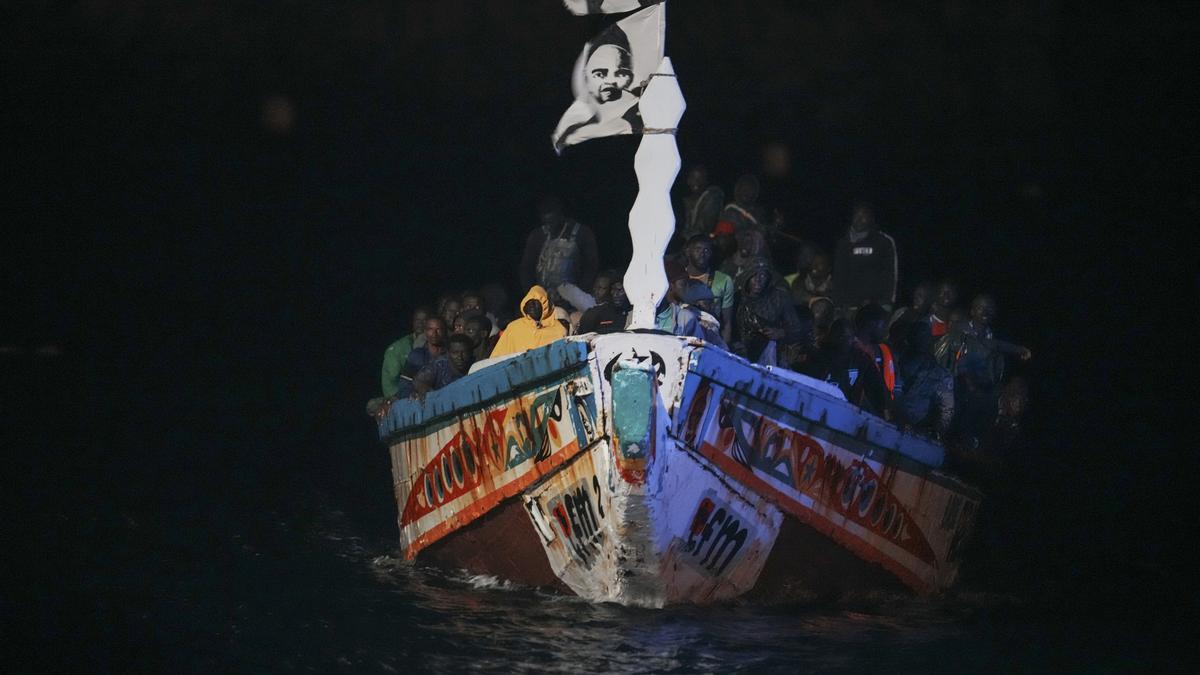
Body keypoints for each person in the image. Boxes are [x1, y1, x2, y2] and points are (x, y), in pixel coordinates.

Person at [934, 295, 1032, 448]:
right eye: (981, 307)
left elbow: (992, 350)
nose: (985, 312)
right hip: (953, 377)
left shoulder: (989, 334)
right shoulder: (960, 327)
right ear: (972, 310)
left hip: (976, 384)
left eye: (990, 309)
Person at [519, 196, 600, 307]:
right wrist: (532, 296)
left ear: (560, 214)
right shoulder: (537, 236)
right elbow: (526, 268)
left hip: (574, 297)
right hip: (543, 299)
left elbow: (591, 267)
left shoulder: (582, 233)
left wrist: (580, 294)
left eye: (551, 221)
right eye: (545, 222)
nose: (549, 226)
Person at [804, 318, 891, 415]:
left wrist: (885, 411)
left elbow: (876, 388)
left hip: (846, 413)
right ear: (831, 337)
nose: (843, 340)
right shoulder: (818, 356)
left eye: (847, 337)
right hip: (814, 408)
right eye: (840, 336)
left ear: (853, 338)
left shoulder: (860, 360)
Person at [735, 257, 805, 364]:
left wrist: (781, 332)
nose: (758, 280)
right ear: (747, 276)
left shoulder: (779, 298)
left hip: (770, 355)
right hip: (740, 353)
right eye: (754, 275)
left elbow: (797, 329)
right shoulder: (737, 298)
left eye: (762, 275)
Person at [832, 201, 898, 311]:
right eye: (856, 215)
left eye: (863, 216)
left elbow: (891, 274)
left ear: (871, 218)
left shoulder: (883, 242)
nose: (859, 219)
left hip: (876, 305)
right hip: (849, 306)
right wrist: (838, 304)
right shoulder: (844, 243)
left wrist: (887, 302)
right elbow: (838, 275)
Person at [895, 320, 955, 439]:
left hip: (917, 432)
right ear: (909, 339)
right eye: (918, 336)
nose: (921, 341)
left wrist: (935, 434)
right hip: (888, 420)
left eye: (925, 337)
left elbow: (946, 410)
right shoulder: (893, 361)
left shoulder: (940, 375)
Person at [683, 235, 735, 344]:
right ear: (688, 252)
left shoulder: (723, 280)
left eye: (706, 250)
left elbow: (727, 323)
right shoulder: (677, 277)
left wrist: (725, 352)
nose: (702, 254)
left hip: (710, 341)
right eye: (698, 249)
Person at [490, 285, 568, 358]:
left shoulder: (559, 328)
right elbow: (495, 360)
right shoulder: (514, 328)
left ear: (545, 304)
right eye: (529, 303)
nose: (532, 306)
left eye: (536, 303)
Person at [852, 303, 897, 410]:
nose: (886, 330)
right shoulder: (851, 349)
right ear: (872, 324)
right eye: (884, 325)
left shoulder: (885, 351)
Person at [380, 306, 429, 398]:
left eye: (425, 320)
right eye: (417, 320)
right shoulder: (398, 347)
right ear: (412, 321)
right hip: (398, 395)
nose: (421, 323)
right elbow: (392, 376)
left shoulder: (434, 342)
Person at [678, 165, 724, 242]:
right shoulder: (682, 201)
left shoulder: (712, 198)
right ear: (688, 180)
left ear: (706, 181)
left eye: (700, 179)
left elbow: (704, 228)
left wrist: (683, 240)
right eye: (693, 178)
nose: (696, 182)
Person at [577, 270, 629, 334]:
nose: (615, 294)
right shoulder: (594, 313)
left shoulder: (633, 312)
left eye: (619, 290)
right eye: (613, 289)